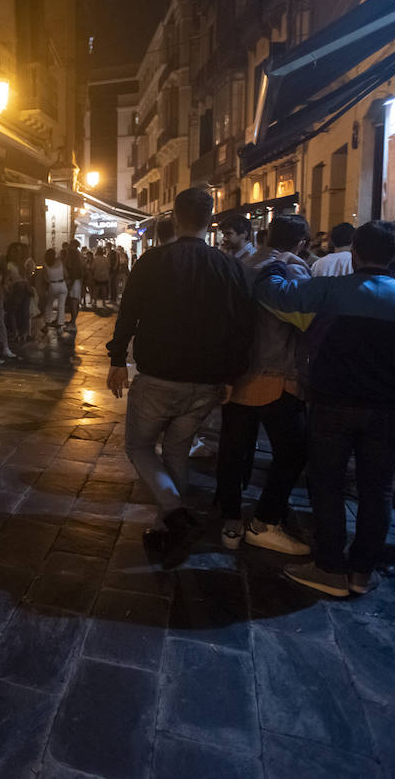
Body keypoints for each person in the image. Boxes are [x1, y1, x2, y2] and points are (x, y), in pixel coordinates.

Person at [255, 221, 395, 597]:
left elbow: (277, 296)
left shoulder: (330, 289)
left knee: (327, 485)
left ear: (354, 253)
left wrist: (274, 262)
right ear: (393, 256)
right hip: (391, 409)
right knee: (379, 491)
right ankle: (361, 573)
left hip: (333, 404)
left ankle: (329, 567)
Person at [107, 187, 254, 568]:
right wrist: (231, 375)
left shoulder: (153, 261)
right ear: (211, 220)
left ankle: (174, 512)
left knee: (139, 448)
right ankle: (164, 529)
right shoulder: (228, 266)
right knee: (176, 451)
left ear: (175, 215)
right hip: (205, 380)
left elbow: (129, 313)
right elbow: (242, 326)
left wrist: (118, 358)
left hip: (158, 375)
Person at [215, 214, 313, 556]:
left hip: (237, 372)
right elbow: (304, 319)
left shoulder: (241, 265)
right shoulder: (293, 268)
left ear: (267, 234)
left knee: (232, 450)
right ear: (301, 242)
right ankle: (264, 522)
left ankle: (230, 522)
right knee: (294, 451)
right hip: (276, 373)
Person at [4, 243, 31, 345]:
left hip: (18, 288)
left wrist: (7, 289)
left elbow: (8, 280)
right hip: (23, 288)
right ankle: (23, 332)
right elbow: (26, 278)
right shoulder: (18, 265)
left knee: (13, 311)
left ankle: (16, 332)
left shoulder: (12, 265)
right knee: (23, 312)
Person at [39, 248, 68, 340]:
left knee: (49, 305)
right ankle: (59, 327)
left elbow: (45, 278)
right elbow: (66, 274)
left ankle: (46, 325)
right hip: (62, 284)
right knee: (61, 306)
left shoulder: (45, 265)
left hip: (52, 285)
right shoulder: (60, 262)